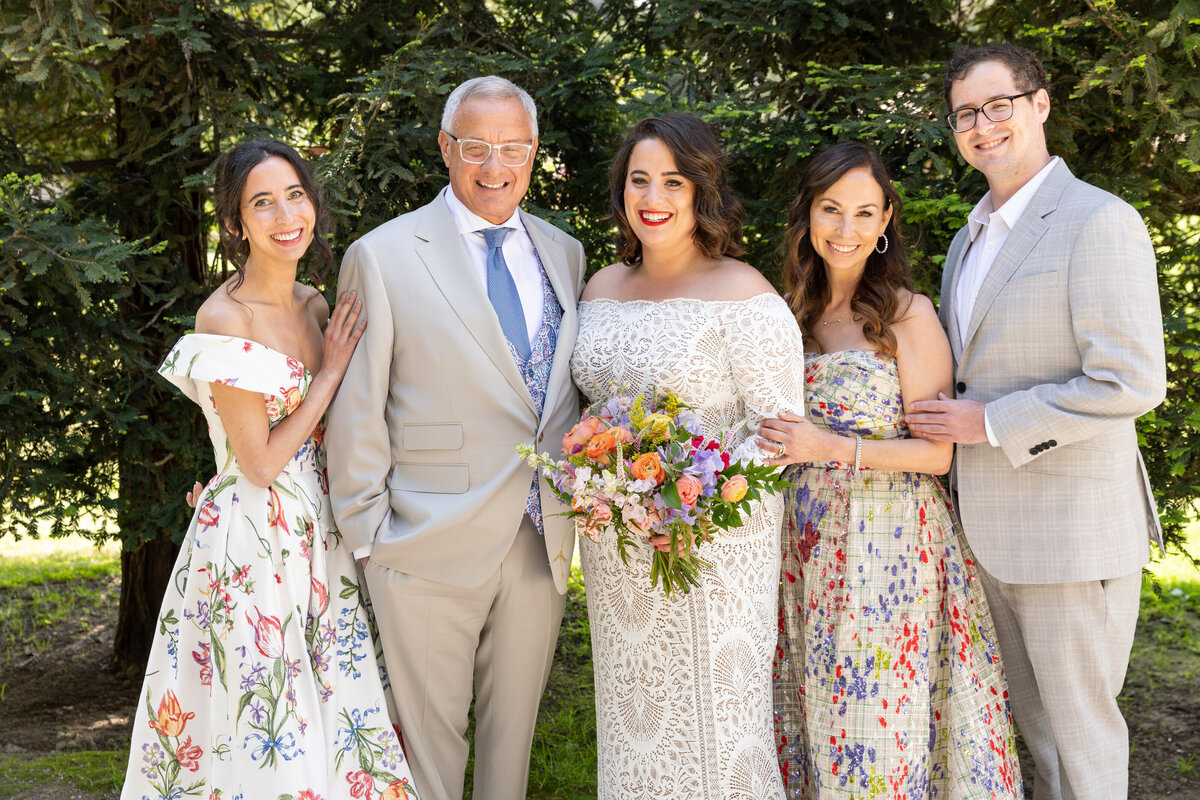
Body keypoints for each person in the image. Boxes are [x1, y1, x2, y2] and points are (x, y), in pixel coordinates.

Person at [905, 43, 1166, 800]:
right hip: (990, 533)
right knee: (1039, 739)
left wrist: (990, 423)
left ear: (1039, 105)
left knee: (1082, 741)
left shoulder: (1099, 222)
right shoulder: (967, 239)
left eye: (998, 106)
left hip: (1072, 534)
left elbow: (1131, 381)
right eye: (965, 115)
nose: (982, 126)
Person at [122, 140, 418, 800]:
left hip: (325, 529)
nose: (286, 215)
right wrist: (331, 371)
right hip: (256, 541)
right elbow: (256, 464)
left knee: (336, 706)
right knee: (267, 709)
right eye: (262, 202)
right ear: (234, 223)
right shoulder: (224, 318)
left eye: (295, 195)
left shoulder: (319, 305)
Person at [325, 76, 586, 800]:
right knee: (429, 760)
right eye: (476, 147)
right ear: (446, 148)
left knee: (512, 756)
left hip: (540, 540)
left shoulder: (564, 254)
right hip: (423, 540)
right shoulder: (383, 255)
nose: (494, 166)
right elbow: (357, 403)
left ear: (533, 154)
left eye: (513, 149)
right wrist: (369, 534)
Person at [756, 141, 1022, 799]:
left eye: (863, 213)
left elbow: (938, 453)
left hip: (889, 544)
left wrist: (829, 447)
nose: (845, 230)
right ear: (808, 215)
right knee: (811, 707)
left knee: (877, 721)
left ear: (884, 224)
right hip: (803, 544)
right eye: (831, 210)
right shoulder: (784, 313)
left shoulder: (907, 314)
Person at [569, 112, 803, 799]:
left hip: (713, 549)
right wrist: (605, 481)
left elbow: (779, 432)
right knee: (633, 727)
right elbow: (586, 411)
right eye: (639, 180)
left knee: (718, 731)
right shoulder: (600, 288)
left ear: (702, 191)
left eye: (673, 181)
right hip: (617, 555)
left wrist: (689, 496)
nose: (654, 197)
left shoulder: (745, 295)